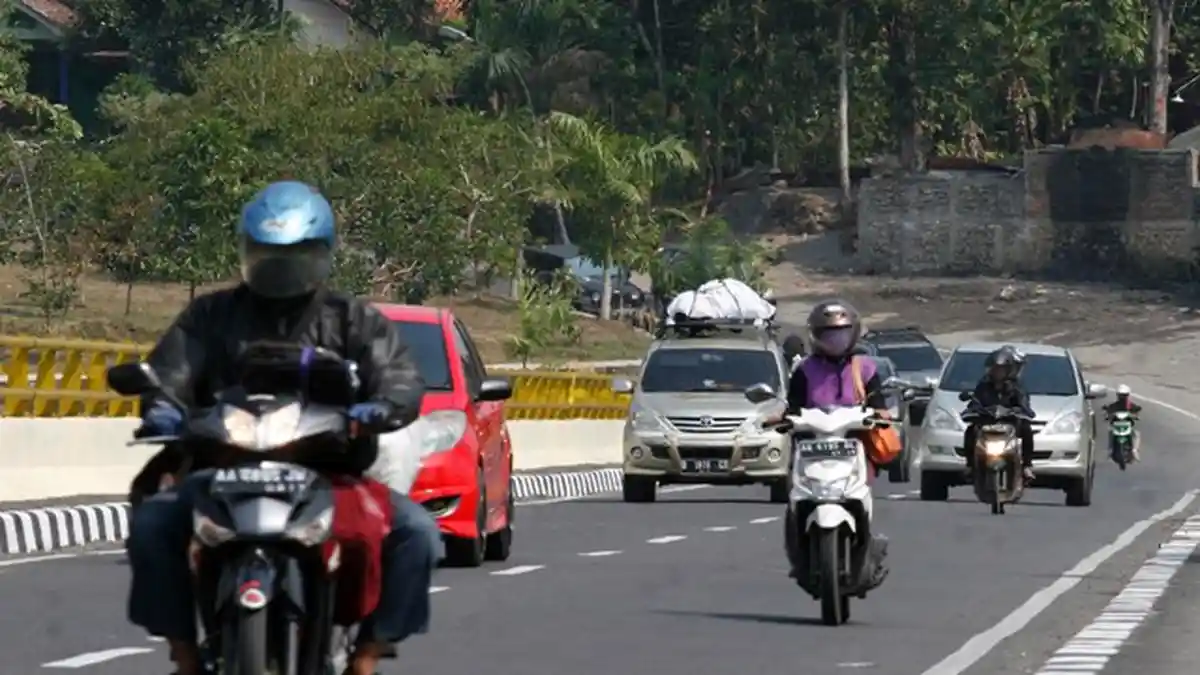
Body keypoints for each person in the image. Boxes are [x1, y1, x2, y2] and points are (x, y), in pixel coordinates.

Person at [125, 180, 438, 675]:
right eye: (268, 255)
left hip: (329, 472)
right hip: (223, 468)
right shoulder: (210, 315)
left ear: (323, 255)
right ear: (247, 252)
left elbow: (399, 375)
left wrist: (381, 406)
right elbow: (172, 372)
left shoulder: (353, 320)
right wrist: (162, 407)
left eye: (295, 256)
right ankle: (184, 652)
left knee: (418, 534)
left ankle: (368, 654)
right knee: (153, 524)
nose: (281, 268)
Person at [759, 300, 888, 588]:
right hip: (811, 447)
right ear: (816, 335)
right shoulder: (805, 370)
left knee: (860, 497)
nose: (835, 340)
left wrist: (880, 415)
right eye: (829, 334)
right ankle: (799, 558)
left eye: (841, 333)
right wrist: (781, 418)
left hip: (852, 447)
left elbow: (879, 404)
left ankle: (866, 554)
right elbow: (793, 406)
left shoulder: (865, 368)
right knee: (795, 505)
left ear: (853, 333)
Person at [962, 345, 1036, 482]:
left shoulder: (1017, 386)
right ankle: (970, 465)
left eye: (1001, 370)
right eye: (995, 369)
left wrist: (1019, 411)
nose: (998, 373)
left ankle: (1027, 466)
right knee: (971, 430)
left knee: (1026, 430)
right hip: (988, 425)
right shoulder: (983, 385)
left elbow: (1024, 403)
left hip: (1009, 425)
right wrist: (974, 410)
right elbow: (975, 401)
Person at [1103, 384, 1143, 460]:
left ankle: (1135, 450)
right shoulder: (1114, 405)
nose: (1122, 397)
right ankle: (1110, 449)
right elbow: (1108, 411)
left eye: (1124, 395)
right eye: (1121, 395)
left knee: (1136, 434)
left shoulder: (1131, 405)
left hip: (1128, 426)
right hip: (1116, 426)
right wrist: (1108, 415)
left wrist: (1135, 415)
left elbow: (1136, 412)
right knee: (1110, 432)